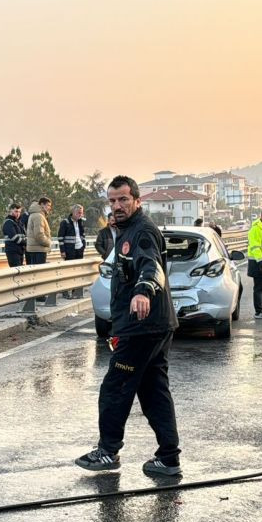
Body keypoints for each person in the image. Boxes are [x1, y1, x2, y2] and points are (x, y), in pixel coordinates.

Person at [75, 175, 181, 478]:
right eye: (112, 201)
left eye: (123, 199)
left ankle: (108, 451)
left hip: (141, 326)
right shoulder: (125, 231)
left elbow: (151, 266)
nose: (117, 206)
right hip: (154, 326)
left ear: (137, 201)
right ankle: (169, 458)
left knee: (114, 389)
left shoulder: (142, 232)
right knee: (154, 392)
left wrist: (142, 291)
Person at [24, 197, 53, 265]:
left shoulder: (36, 214)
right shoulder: (38, 216)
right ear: (42, 204)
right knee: (38, 273)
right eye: (48, 205)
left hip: (35, 249)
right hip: (38, 250)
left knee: (34, 273)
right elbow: (39, 235)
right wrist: (48, 242)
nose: (49, 208)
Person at [1, 202, 26, 268]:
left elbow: (24, 235)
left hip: (20, 251)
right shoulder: (8, 222)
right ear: (11, 210)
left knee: (20, 271)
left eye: (19, 212)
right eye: (16, 211)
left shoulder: (18, 222)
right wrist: (26, 242)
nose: (18, 214)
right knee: (17, 271)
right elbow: (14, 237)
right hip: (13, 251)